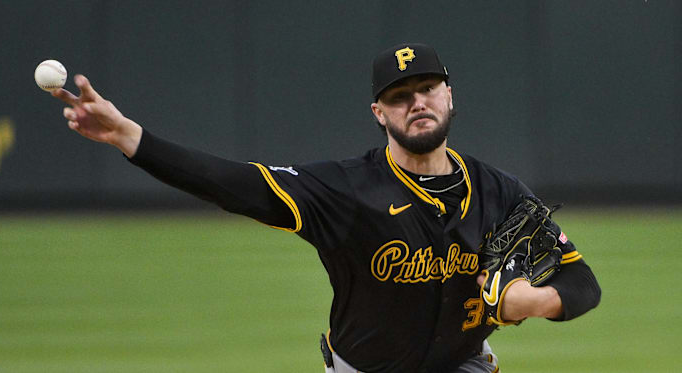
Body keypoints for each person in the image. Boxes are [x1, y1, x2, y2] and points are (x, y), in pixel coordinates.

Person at [52, 43, 601, 373]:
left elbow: (582, 284)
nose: (416, 103)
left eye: (427, 88)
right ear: (378, 113)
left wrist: (531, 300)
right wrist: (130, 137)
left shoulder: (498, 192)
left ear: (449, 96)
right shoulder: (343, 190)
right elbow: (232, 183)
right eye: (398, 96)